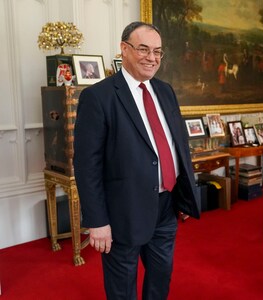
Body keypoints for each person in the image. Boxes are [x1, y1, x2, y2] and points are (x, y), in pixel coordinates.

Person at [73, 21, 200, 299]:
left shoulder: (165, 90)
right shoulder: (98, 96)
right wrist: (97, 221)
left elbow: (178, 145)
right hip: (123, 211)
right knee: (122, 289)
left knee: (160, 279)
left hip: (165, 207)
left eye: (158, 51)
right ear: (124, 49)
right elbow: (86, 165)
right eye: (143, 49)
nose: (152, 58)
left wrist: (183, 193)